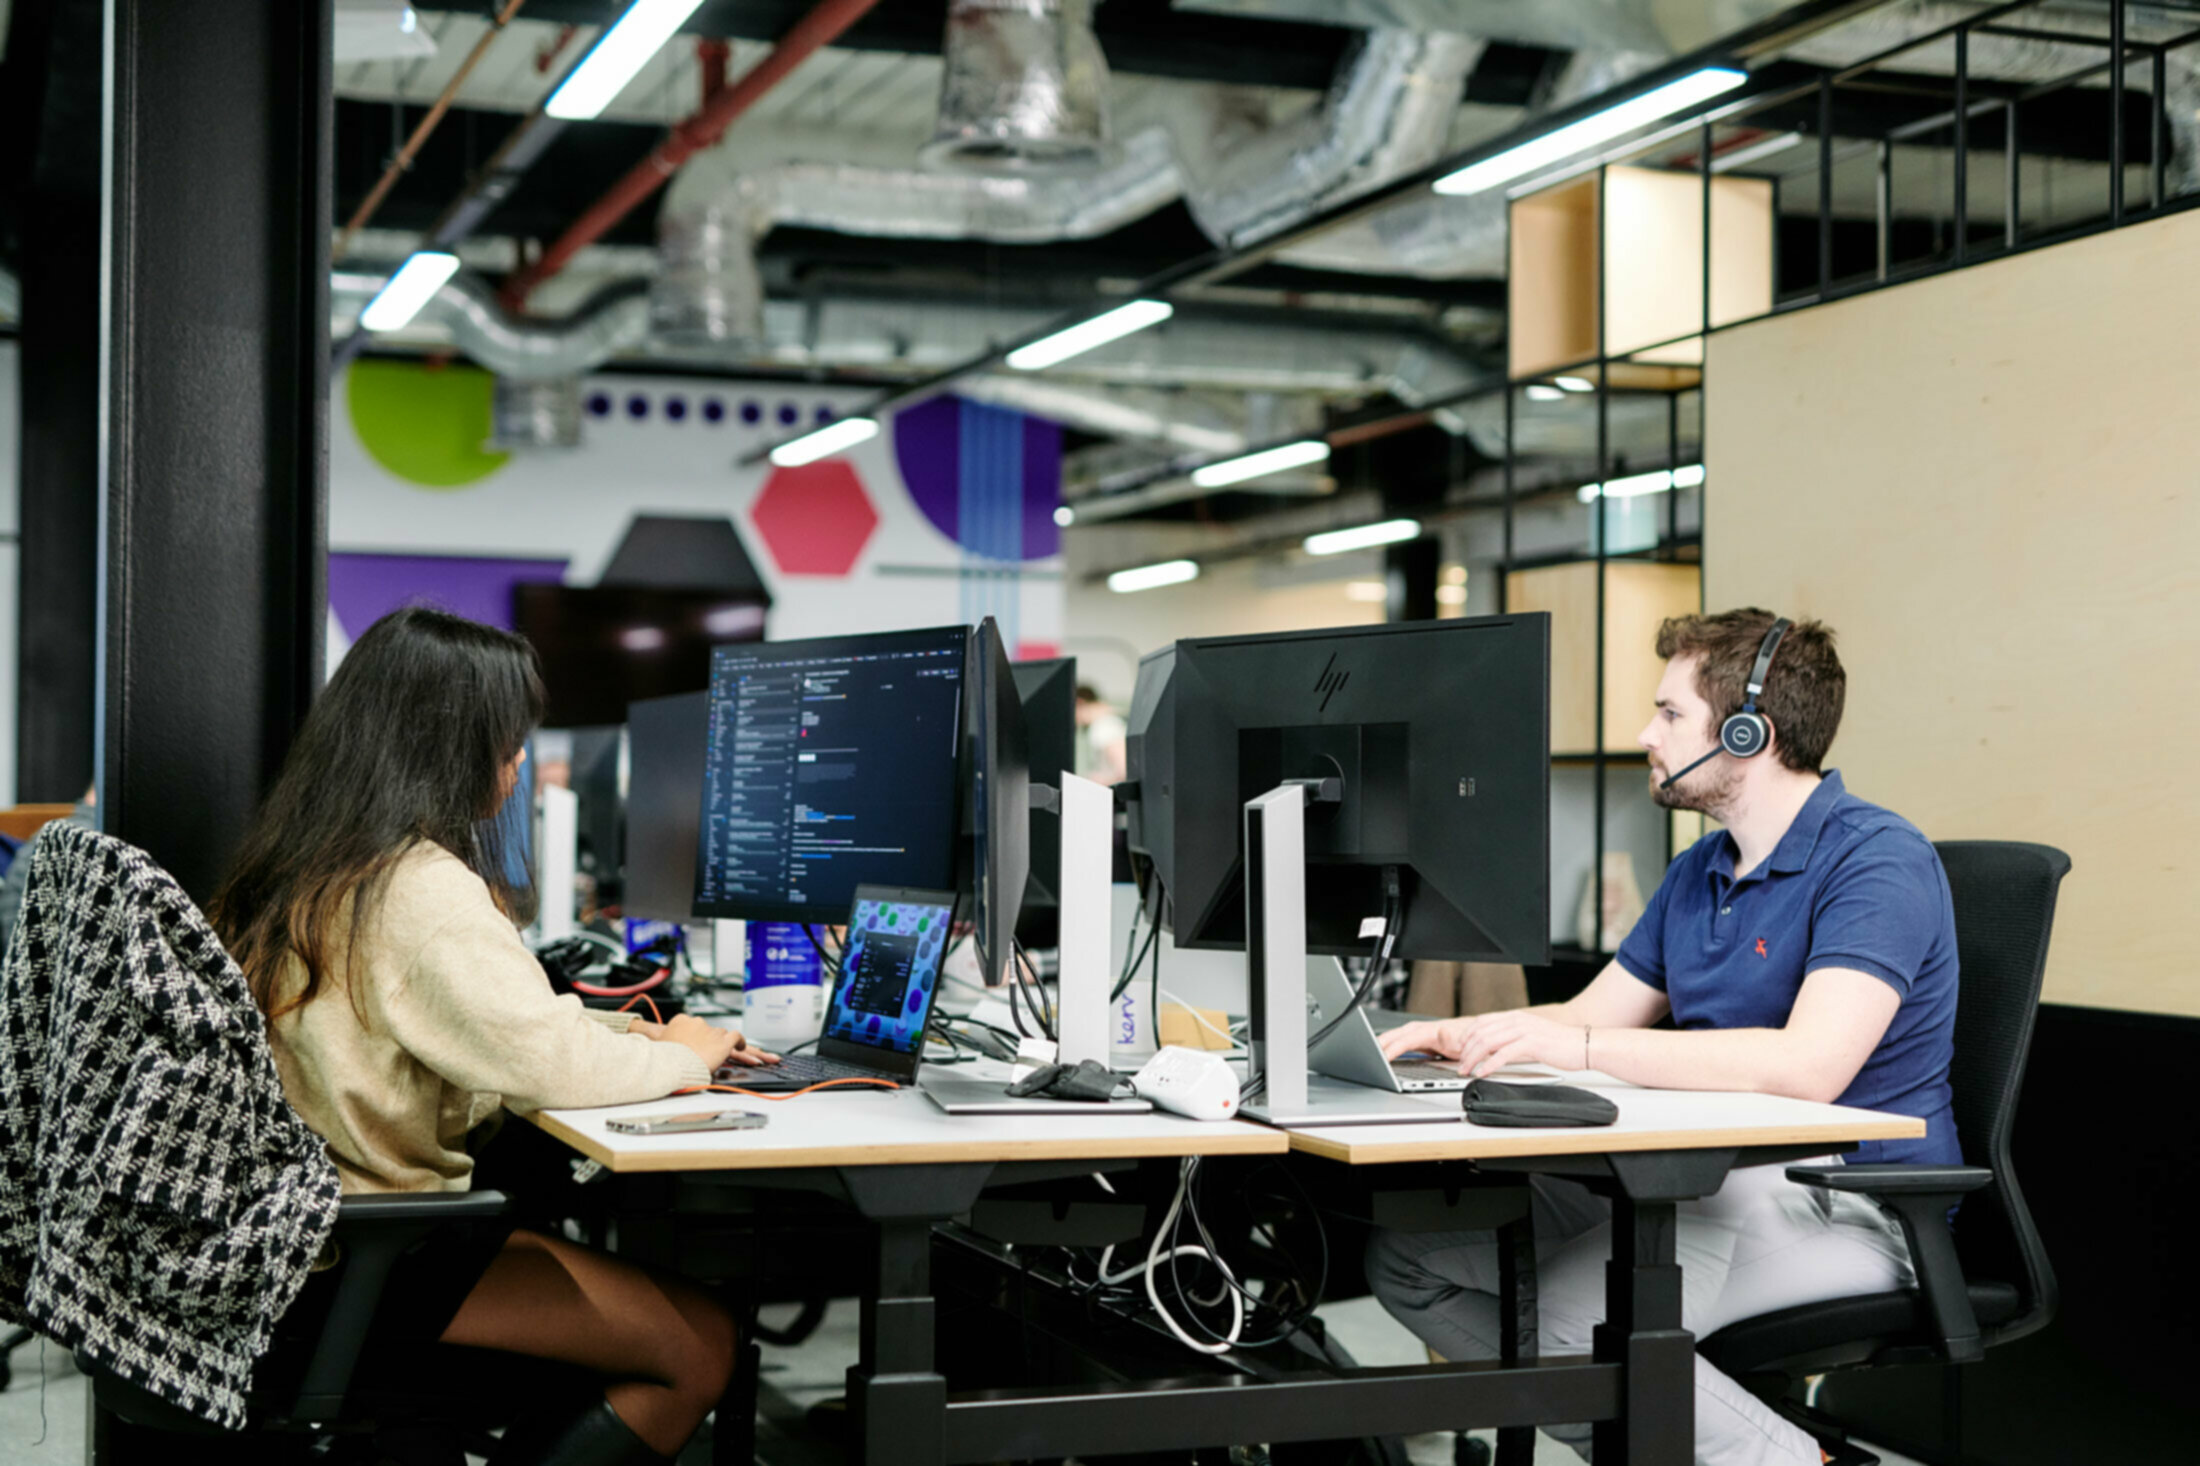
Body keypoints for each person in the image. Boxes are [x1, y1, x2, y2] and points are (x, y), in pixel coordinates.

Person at [1367, 609, 1958, 1466]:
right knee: (1405, 1258)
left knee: (1581, 1329)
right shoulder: (1699, 870)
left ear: (1750, 732)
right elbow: (1586, 1017)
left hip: (1845, 1199)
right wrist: (1453, 1032)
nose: (1645, 734)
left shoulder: (1876, 859)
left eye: (1670, 714)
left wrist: (1579, 1052)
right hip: (1700, 1177)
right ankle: (1668, 1442)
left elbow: (1808, 1068)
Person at [210, 607, 778, 1466]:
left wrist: (632, 1026)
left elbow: (490, 1023)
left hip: (297, 1250)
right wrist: (682, 1058)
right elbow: (546, 1064)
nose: (518, 769)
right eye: (509, 745)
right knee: (700, 1345)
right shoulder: (418, 889)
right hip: (367, 1264)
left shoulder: (307, 859)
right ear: (451, 748)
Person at [1073, 683, 1127, 785]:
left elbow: (1123, 770)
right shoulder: (1106, 722)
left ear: (1079, 702)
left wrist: (1099, 781)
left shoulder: (1103, 725)